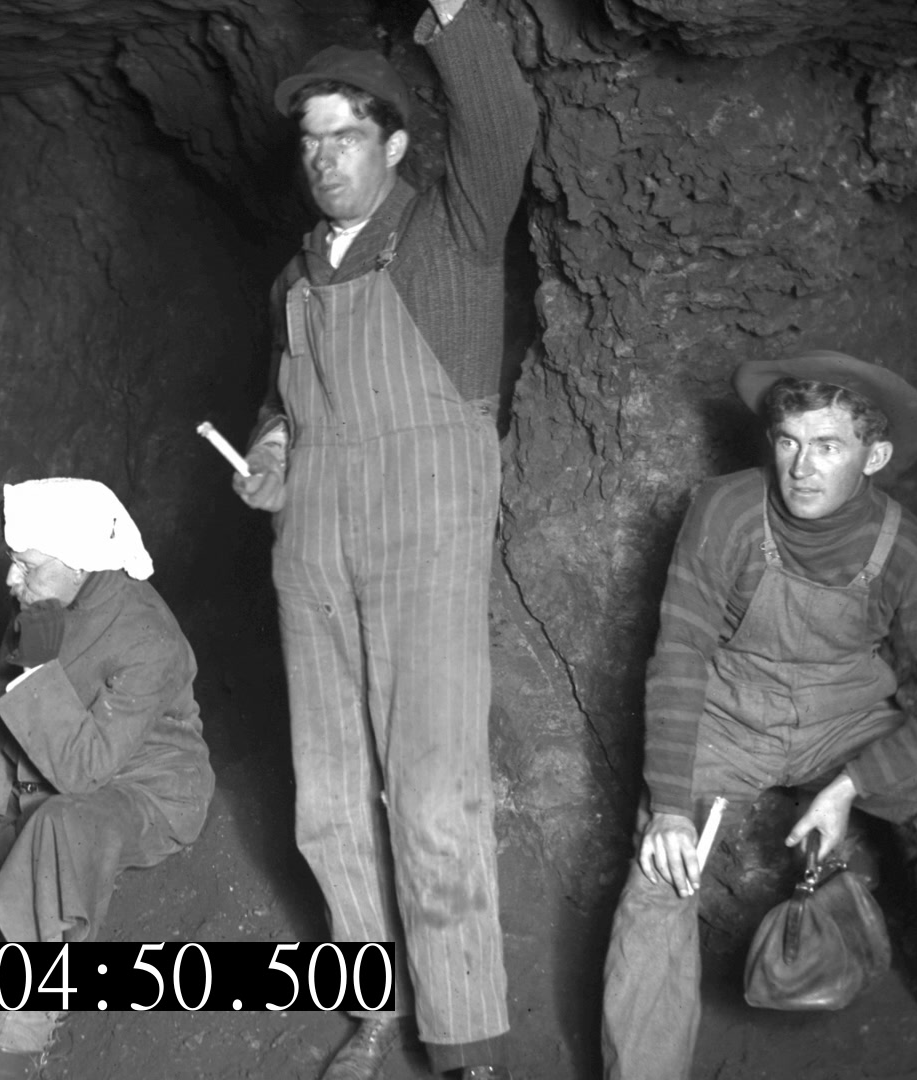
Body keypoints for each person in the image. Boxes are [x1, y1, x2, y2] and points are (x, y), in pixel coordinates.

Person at [600, 350, 917, 1079]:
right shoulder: (726, 509)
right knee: (661, 873)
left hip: (844, 723)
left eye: (827, 446)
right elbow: (680, 654)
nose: (800, 468)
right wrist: (667, 808)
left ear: (873, 457)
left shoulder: (906, 548)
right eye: (788, 442)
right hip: (729, 720)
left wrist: (852, 784)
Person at [230, 2, 535, 1077]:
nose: (324, 157)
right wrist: (270, 451)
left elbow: (502, 123)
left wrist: (454, 12)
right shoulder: (293, 280)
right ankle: (375, 1007)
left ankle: (465, 1040)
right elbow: (282, 404)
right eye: (310, 140)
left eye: (347, 135)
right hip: (312, 551)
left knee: (434, 794)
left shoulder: (450, 235)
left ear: (395, 145)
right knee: (325, 802)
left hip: (423, 540)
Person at [0, 478, 215, 1080]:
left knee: (56, 832)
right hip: (50, 781)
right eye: (13, 562)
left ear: (78, 563)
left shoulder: (147, 637)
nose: (12, 578)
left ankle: (17, 1048)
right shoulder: (45, 607)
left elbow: (85, 770)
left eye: (27, 566)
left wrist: (33, 671)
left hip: (144, 792)